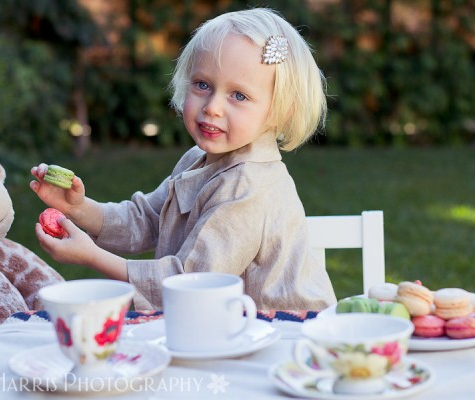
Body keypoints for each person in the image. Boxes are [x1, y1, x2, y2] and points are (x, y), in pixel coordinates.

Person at [30, 7, 337, 310]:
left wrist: (91, 257)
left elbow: (189, 283)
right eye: (203, 85)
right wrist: (78, 208)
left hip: (286, 334)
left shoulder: (251, 186)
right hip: (224, 329)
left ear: (281, 110)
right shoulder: (198, 159)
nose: (212, 107)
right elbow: (145, 219)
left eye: (238, 95)